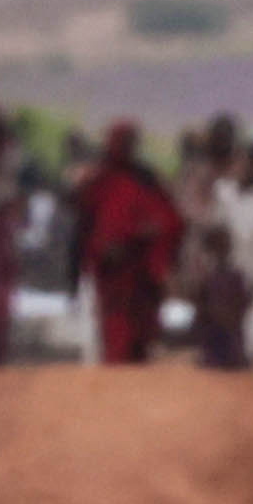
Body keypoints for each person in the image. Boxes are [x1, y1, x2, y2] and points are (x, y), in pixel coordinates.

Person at [71, 117, 186, 372]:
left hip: (139, 272)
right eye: (119, 141)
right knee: (114, 335)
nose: (122, 147)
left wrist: (144, 237)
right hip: (109, 273)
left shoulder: (146, 180)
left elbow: (171, 221)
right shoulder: (97, 180)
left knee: (139, 335)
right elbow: (84, 223)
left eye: (127, 141)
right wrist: (91, 255)